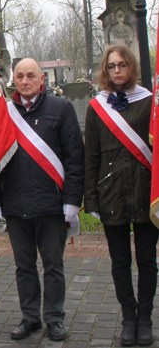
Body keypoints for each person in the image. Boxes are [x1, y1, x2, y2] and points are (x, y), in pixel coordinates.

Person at [0, 57, 84, 341]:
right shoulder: (3, 112)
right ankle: (30, 318)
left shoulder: (61, 109)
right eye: (20, 76)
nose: (25, 81)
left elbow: (75, 157)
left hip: (52, 206)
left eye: (31, 76)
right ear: (13, 80)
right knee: (24, 267)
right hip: (15, 206)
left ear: (42, 80)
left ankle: (54, 318)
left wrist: (72, 200)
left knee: (53, 265)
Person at [84, 45, 157, 347]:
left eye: (122, 65)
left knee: (148, 261)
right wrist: (91, 198)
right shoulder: (96, 107)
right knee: (119, 262)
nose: (117, 70)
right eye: (111, 65)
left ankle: (145, 319)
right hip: (111, 192)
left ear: (131, 68)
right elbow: (91, 156)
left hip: (145, 192)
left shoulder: (150, 103)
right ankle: (128, 316)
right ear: (106, 69)